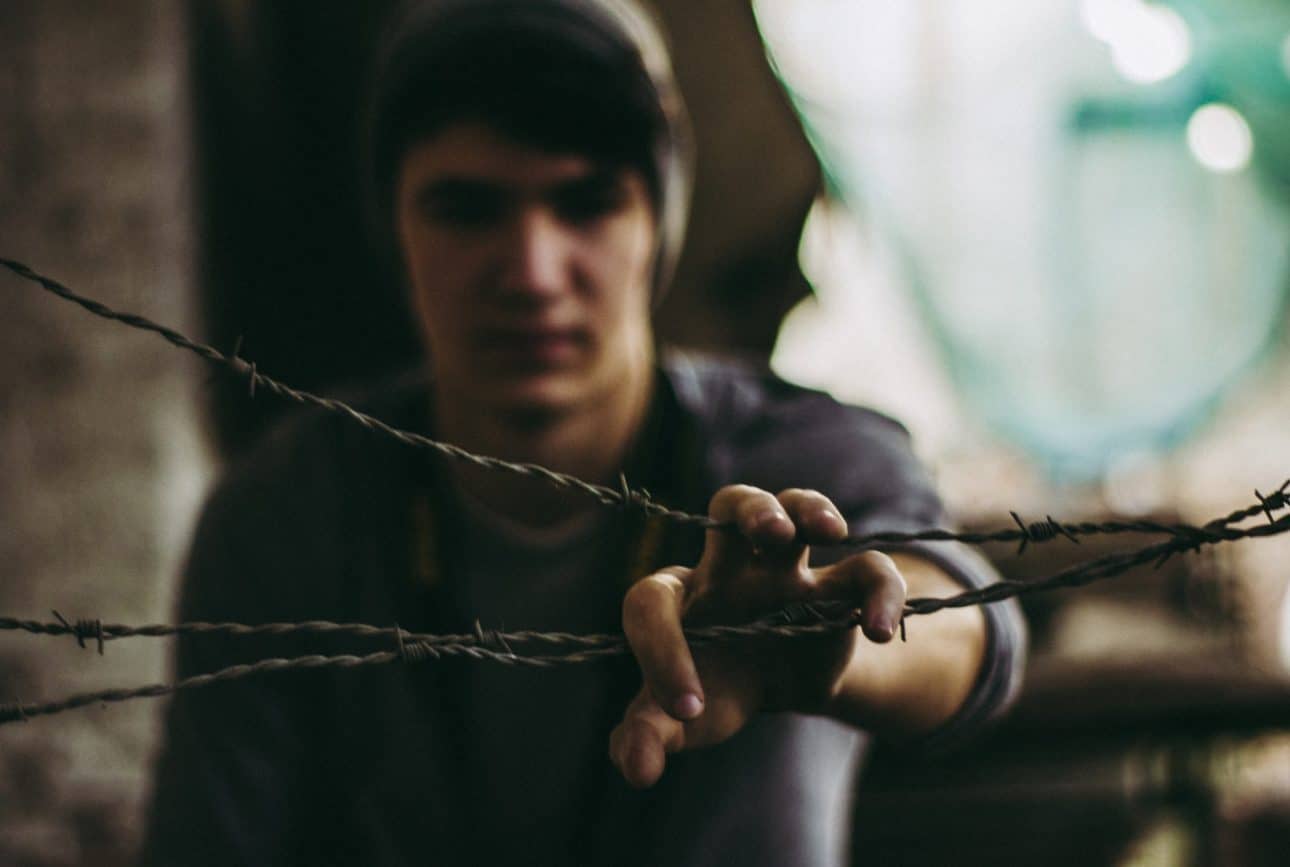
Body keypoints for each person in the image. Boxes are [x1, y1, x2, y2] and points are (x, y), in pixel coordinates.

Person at [141, 1, 1025, 865]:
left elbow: (973, 638)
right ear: (392, 223)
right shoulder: (288, 512)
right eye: (467, 208)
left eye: (587, 202)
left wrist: (839, 663)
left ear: (657, 225)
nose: (531, 272)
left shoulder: (793, 462)